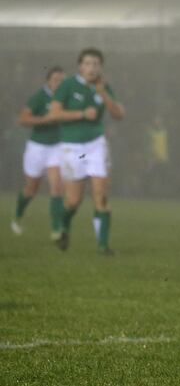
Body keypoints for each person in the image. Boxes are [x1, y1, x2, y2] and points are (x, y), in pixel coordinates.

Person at [49, 49, 125, 254]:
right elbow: (54, 113)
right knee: (73, 200)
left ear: (100, 67)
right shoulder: (67, 85)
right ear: (80, 66)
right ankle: (63, 226)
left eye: (96, 64)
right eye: (88, 63)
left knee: (101, 196)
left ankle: (103, 246)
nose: (92, 68)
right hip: (72, 148)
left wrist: (103, 93)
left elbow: (119, 113)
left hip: (95, 146)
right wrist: (81, 113)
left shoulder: (102, 86)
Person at [11, 66, 66, 240]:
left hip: (57, 147)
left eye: (62, 80)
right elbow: (23, 119)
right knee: (31, 188)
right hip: (37, 147)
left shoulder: (65, 97)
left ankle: (56, 229)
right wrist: (45, 119)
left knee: (57, 185)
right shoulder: (39, 97)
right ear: (48, 81)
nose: (59, 82)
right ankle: (18, 215)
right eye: (56, 79)